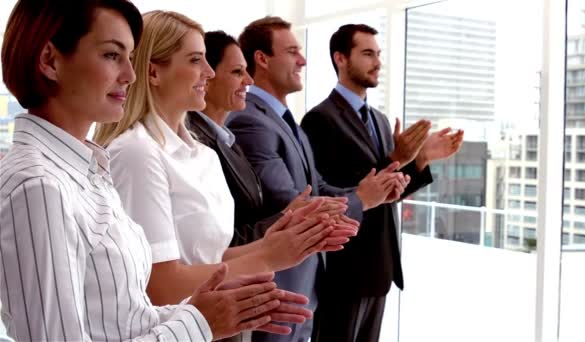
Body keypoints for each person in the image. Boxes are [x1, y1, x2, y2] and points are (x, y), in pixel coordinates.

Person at [0, 1, 302, 341]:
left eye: (130, 57)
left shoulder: (86, 171)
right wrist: (199, 324)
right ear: (49, 61)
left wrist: (222, 309)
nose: (130, 74)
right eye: (112, 55)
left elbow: (124, 317)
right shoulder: (38, 185)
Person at [93, 10, 358, 337]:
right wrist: (267, 256)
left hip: (219, 326)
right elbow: (160, 286)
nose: (208, 72)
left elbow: (211, 257)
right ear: (153, 72)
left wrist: (275, 245)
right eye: (195, 60)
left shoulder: (202, 154)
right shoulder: (136, 153)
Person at [226, 16, 409, 342]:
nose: (304, 59)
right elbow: (290, 203)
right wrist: (363, 198)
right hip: (279, 285)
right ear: (262, 59)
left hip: (310, 280)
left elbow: (317, 187)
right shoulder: (251, 121)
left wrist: (373, 190)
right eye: (293, 51)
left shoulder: (285, 120)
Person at [301, 24, 465, 341]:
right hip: (344, 270)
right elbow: (333, 194)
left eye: (379, 55)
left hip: (379, 267)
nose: (377, 62)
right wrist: (399, 156)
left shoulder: (379, 119)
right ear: (340, 59)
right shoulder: (319, 120)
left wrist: (419, 160)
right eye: (367, 54)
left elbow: (389, 191)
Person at [186, 31, 356, 246]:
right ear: (207, 78)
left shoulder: (228, 140)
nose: (248, 80)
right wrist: (290, 215)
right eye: (238, 72)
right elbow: (219, 243)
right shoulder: (200, 143)